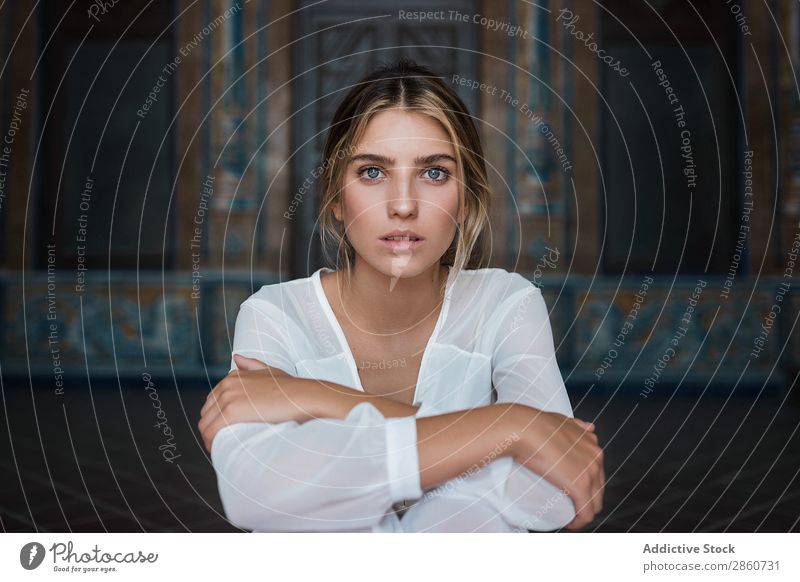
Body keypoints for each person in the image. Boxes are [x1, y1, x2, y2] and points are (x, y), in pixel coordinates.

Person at [197, 58, 604, 532]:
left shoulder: (506, 304)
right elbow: (258, 494)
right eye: (372, 172)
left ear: (467, 199)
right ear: (334, 201)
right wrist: (510, 428)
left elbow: (551, 496)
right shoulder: (276, 315)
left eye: (434, 173)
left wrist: (321, 399)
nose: (404, 204)